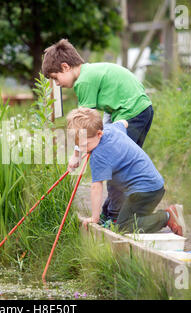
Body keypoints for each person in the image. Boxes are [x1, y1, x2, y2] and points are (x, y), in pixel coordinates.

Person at [42, 39, 154, 225]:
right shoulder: (89, 73)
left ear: (65, 67)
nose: (57, 83)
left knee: (116, 165)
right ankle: (109, 213)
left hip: (133, 112)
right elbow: (100, 118)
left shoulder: (83, 82)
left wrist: (76, 155)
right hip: (135, 110)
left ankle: (114, 217)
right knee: (118, 163)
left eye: (55, 78)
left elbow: (83, 126)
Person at [66, 107, 186, 235]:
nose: (83, 149)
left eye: (86, 144)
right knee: (120, 216)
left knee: (124, 227)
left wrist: (94, 218)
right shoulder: (110, 129)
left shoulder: (99, 155)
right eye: (79, 145)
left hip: (144, 192)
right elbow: (124, 123)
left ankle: (166, 217)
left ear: (99, 134)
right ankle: (131, 218)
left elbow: (96, 187)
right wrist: (78, 152)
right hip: (152, 186)